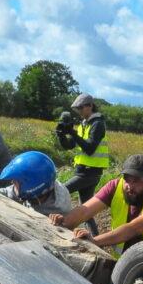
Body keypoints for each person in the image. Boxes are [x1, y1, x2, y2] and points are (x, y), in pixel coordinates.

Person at [50, 154, 143, 258]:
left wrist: (94, 241)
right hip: (124, 261)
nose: (130, 186)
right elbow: (85, 211)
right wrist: (63, 222)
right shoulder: (115, 187)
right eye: (127, 179)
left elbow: (133, 229)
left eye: (136, 181)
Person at [55, 93, 108, 235]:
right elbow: (69, 145)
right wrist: (61, 135)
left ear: (90, 106)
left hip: (89, 172)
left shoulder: (98, 124)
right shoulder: (84, 124)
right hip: (83, 171)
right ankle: (96, 240)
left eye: (80, 108)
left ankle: (57, 223)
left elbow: (90, 148)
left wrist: (73, 132)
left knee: (60, 192)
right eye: (76, 109)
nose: (78, 111)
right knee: (86, 211)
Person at [0, 151, 73, 216]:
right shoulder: (44, 187)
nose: (12, 182)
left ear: (30, 187)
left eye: (16, 181)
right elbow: (7, 192)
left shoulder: (53, 212)